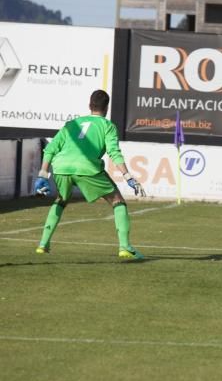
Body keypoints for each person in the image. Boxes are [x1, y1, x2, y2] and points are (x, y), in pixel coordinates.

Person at [33, 89, 145, 259]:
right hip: (87, 167)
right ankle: (125, 247)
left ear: (89, 105)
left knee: (61, 200)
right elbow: (114, 152)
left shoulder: (72, 124)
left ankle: (43, 244)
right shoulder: (107, 126)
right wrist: (127, 176)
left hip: (62, 167)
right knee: (117, 201)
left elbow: (50, 149)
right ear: (106, 107)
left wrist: (42, 173)